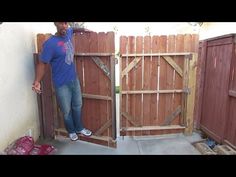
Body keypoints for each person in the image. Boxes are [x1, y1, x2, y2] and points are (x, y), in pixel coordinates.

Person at [32, 22, 92, 141]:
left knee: (78, 105)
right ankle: (71, 131)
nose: (64, 26)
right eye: (61, 23)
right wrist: (37, 81)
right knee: (66, 110)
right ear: (55, 24)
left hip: (74, 79)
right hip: (61, 84)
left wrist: (84, 29)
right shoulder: (50, 44)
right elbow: (42, 63)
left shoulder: (68, 32)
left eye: (66, 23)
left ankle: (79, 128)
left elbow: (73, 29)